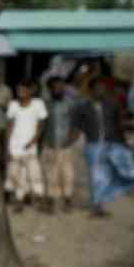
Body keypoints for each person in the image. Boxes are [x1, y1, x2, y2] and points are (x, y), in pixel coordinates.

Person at [71, 77, 134, 218]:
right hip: (93, 145)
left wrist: (124, 144)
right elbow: (77, 127)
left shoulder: (112, 105)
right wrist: (69, 142)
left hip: (111, 143)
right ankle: (96, 207)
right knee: (96, 176)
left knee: (107, 175)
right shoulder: (82, 106)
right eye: (98, 88)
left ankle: (99, 204)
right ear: (91, 90)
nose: (101, 91)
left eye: (103, 88)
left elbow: (118, 125)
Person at [4, 78, 48, 214]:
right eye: (19, 90)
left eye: (23, 89)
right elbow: (9, 126)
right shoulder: (13, 105)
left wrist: (33, 140)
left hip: (30, 146)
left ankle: (40, 200)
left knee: (35, 174)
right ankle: (19, 201)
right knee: (17, 174)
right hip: (15, 146)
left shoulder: (38, 104)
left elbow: (41, 125)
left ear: (31, 90)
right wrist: (7, 146)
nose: (21, 92)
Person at [41, 76, 78, 213]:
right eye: (56, 87)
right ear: (50, 89)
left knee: (67, 173)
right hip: (49, 143)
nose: (59, 89)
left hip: (65, 145)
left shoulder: (70, 103)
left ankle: (67, 200)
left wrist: (72, 139)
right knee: (51, 173)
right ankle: (51, 201)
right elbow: (42, 124)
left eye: (61, 86)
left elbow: (76, 123)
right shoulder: (45, 103)